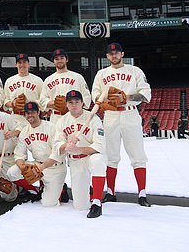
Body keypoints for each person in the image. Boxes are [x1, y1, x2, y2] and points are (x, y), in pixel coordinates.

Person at [92, 42, 152, 207]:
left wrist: (128, 97)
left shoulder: (134, 71)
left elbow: (146, 94)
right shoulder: (101, 74)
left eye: (117, 53)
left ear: (122, 54)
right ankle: (111, 192)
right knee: (111, 156)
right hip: (111, 115)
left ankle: (142, 194)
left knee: (138, 155)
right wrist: (103, 104)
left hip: (130, 112)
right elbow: (96, 95)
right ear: (107, 56)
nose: (114, 55)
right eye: (111, 53)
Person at [39, 48, 91, 203]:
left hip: (76, 118)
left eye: (61, 57)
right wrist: (53, 103)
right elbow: (42, 100)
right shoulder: (48, 80)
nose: (59, 61)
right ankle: (59, 188)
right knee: (57, 153)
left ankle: (83, 184)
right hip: (57, 118)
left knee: (78, 152)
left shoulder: (77, 77)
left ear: (66, 59)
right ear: (53, 61)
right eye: (56, 58)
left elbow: (87, 97)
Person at [55, 90, 107, 218]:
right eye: (70, 102)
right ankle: (88, 191)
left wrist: (79, 149)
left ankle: (97, 203)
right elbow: (57, 144)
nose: (74, 105)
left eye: (77, 102)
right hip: (75, 161)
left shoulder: (93, 118)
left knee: (98, 161)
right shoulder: (62, 121)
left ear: (82, 103)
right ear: (66, 105)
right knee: (80, 206)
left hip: (90, 156)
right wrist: (66, 146)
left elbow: (100, 145)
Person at [7, 102, 66, 207]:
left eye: (33, 112)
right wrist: (22, 167)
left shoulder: (51, 127)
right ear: (24, 115)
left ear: (38, 112)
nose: (30, 115)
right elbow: (19, 154)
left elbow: (57, 153)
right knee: (12, 172)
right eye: (27, 113)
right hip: (37, 165)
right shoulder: (25, 132)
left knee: (48, 204)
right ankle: (34, 190)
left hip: (54, 167)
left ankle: (61, 190)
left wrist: (42, 167)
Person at [3, 54, 44, 129]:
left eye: (24, 62)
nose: (22, 64)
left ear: (28, 64)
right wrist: (13, 103)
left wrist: (30, 103)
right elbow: (5, 101)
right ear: (16, 65)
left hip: (32, 117)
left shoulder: (38, 80)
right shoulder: (9, 81)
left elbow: (43, 100)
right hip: (15, 118)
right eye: (19, 62)